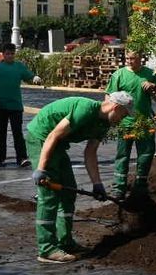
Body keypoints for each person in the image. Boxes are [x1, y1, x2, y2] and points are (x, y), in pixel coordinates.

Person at [26, 92, 132, 263]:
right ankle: (46, 249)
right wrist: (41, 169)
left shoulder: (104, 124)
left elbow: (90, 152)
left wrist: (97, 184)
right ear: (116, 107)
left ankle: (65, 241)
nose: (123, 119)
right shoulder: (85, 109)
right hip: (42, 137)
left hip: (58, 144)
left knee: (69, 192)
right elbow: (52, 135)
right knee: (49, 195)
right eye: (124, 114)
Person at [107, 50, 156, 199]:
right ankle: (119, 187)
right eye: (127, 58)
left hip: (144, 122)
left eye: (132, 58)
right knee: (122, 155)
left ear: (141, 58)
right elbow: (109, 97)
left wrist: (153, 86)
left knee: (145, 155)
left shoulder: (149, 74)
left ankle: (140, 185)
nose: (129, 60)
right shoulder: (118, 75)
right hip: (125, 122)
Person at [0, 43, 43, 168]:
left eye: (12, 54)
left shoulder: (19, 67)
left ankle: (22, 158)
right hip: (0, 105)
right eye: (7, 54)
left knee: (18, 133)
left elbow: (29, 76)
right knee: (0, 133)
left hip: (15, 106)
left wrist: (35, 78)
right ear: (3, 54)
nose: (10, 56)